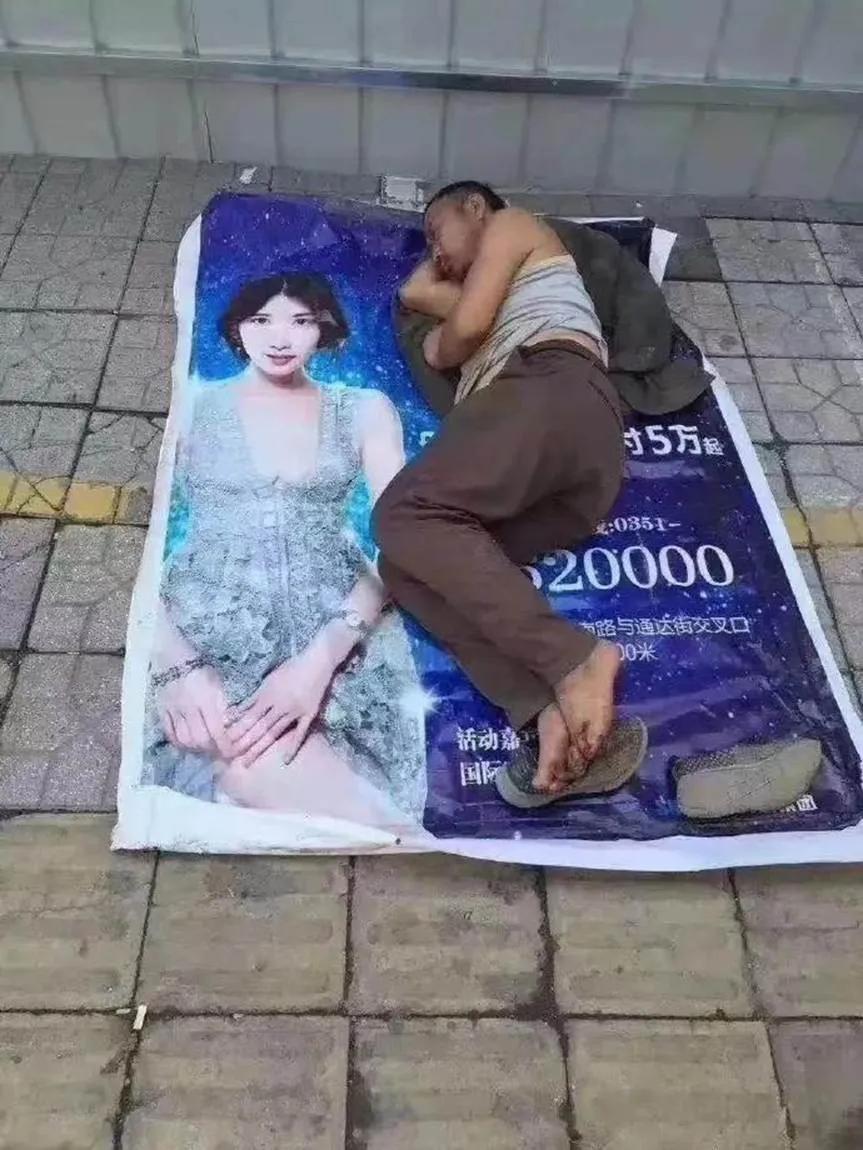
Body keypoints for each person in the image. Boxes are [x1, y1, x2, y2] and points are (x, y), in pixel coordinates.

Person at [374, 181, 645, 804]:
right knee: (406, 566)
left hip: (549, 387)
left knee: (404, 514)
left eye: (435, 231)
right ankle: (540, 707)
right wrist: (442, 306)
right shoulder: (507, 290)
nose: (434, 253)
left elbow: (458, 332)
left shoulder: (514, 224)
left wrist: (445, 333)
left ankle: (575, 658)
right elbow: (438, 303)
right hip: (576, 469)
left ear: (475, 207)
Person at [143, 272, 427, 824]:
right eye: (261, 320)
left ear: (324, 329)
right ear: (237, 328)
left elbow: (405, 538)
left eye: (300, 321)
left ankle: (409, 844)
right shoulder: (194, 410)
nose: (280, 338)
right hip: (208, 638)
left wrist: (318, 662)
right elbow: (142, 542)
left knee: (326, 786)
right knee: (242, 759)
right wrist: (174, 663)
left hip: (343, 632)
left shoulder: (363, 409)